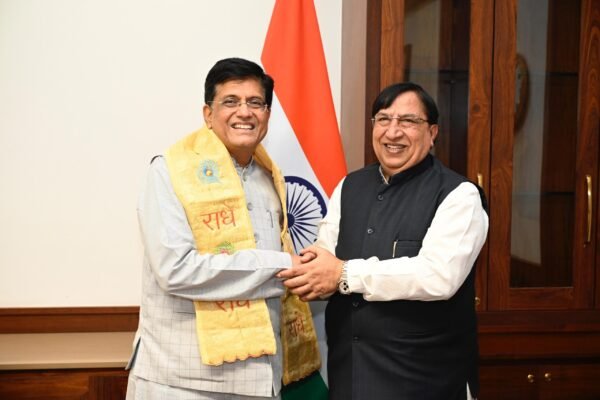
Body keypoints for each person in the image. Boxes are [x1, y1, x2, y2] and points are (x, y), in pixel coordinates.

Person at [278, 82, 489, 400]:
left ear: (432, 132)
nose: (393, 132)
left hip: (424, 382)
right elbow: (325, 255)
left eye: (408, 121)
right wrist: (297, 269)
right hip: (350, 376)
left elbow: (438, 277)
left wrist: (343, 274)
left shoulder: (459, 195)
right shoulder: (350, 186)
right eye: (383, 119)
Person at [126, 58, 320, 400]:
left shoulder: (270, 178)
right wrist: (282, 266)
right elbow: (175, 269)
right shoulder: (170, 172)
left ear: (267, 115)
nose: (244, 112)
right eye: (231, 101)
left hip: (260, 378)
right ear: (208, 114)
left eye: (256, 103)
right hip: (181, 381)